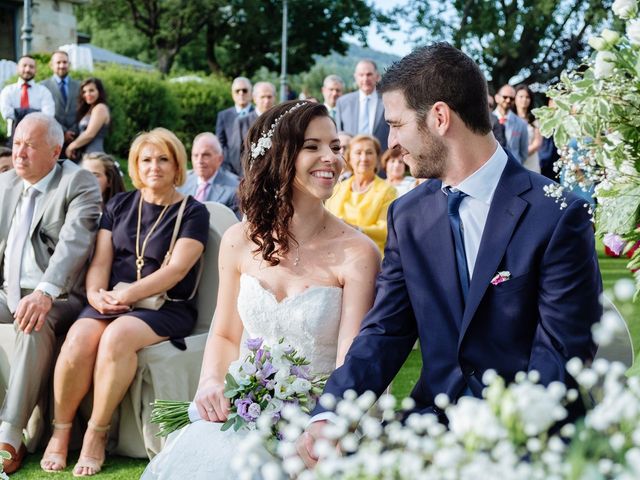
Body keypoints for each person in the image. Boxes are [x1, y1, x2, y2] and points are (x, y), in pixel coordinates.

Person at [298, 42, 602, 467]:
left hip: (532, 439)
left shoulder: (556, 213)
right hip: (429, 426)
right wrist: (331, 412)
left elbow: (561, 351)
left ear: (439, 118)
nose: (392, 141)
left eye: (397, 124)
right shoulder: (407, 215)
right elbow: (385, 331)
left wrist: (496, 440)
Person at [141, 101, 380, 479]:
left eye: (335, 146)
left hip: (322, 419)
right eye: (312, 146)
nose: (330, 158)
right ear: (279, 156)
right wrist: (210, 384)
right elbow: (223, 333)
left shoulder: (358, 254)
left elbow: (350, 360)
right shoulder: (239, 240)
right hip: (244, 411)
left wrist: (325, 424)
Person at [40, 128, 209, 476]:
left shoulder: (194, 212)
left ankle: (96, 434)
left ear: (177, 164)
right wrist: (94, 295)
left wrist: (127, 295)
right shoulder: (117, 205)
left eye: (163, 159)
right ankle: (60, 431)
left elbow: (176, 270)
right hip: (110, 299)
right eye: (146, 159)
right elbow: (100, 262)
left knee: (116, 338)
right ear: (135, 165)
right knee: (78, 339)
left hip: (165, 307)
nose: (154, 167)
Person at [0, 112, 101, 474]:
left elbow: (73, 244)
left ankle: (10, 437)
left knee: (32, 320)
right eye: (17, 144)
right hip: (6, 291)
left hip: (58, 296)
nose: (19, 152)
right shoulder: (6, 183)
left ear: (56, 151)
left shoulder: (78, 182)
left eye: (30, 145)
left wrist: (44, 291)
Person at [325, 134, 397, 255]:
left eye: (369, 152)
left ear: (377, 157)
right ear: (349, 157)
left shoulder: (388, 191)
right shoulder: (337, 188)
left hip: (370, 256)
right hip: (334, 255)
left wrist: (356, 229)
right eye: (358, 153)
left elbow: (386, 229)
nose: (364, 158)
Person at [177, 132, 241, 218]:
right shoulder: (182, 181)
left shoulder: (235, 188)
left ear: (220, 159)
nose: (199, 161)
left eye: (205, 155)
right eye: (195, 155)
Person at [334, 59, 390, 151]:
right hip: (351, 160)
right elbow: (339, 135)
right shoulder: (343, 102)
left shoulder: (387, 100)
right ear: (355, 77)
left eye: (369, 74)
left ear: (377, 76)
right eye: (361, 75)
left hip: (382, 159)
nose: (365, 79)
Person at [225, 81, 276, 177]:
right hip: (249, 177)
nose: (266, 101)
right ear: (254, 98)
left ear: (274, 98)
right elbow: (236, 154)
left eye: (269, 97)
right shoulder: (242, 122)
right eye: (263, 97)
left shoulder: (281, 121)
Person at [0, 56, 55, 138]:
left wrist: (17, 112)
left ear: (35, 70)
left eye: (31, 66)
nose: (27, 69)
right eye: (24, 65)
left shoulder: (44, 91)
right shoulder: (7, 91)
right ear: (18, 68)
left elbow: (48, 116)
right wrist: (36, 113)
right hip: (14, 136)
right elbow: (7, 113)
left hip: (38, 136)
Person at [40, 51, 80, 151]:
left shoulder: (80, 86)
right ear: (51, 65)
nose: (62, 65)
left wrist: (73, 131)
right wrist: (63, 132)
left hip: (76, 138)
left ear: (69, 64)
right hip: (51, 137)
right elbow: (43, 114)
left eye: (65, 62)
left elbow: (83, 110)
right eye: (58, 62)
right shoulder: (42, 87)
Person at [65, 78, 110, 162]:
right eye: (84, 92)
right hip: (84, 156)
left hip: (94, 155)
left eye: (91, 90)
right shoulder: (90, 109)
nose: (87, 94)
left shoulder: (100, 108)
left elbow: (90, 134)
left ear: (99, 91)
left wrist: (71, 146)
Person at [215, 77, 254, 164]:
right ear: (232, 94)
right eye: (237, 91)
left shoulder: (258, 115)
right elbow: (220, 143)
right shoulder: (223, 116)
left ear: (251, 93)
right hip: (229, 166)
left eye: (245, 90)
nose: (241, 93)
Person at [493, 84, 528, 164]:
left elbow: (524, 153)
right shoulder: (487, 121)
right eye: (505, 97)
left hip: (514, 168)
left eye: (511, 98)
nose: (508, 100)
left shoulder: (521, 123)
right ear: (497, 98)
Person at [514, 84, 542, 173]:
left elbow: (537, 143)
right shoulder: (509, 119)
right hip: (513, 163)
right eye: (521, 96)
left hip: (531, 163)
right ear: (515, 98)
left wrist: (521, 155)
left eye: (527, 97)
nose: (524, 100)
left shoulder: (535, 120)